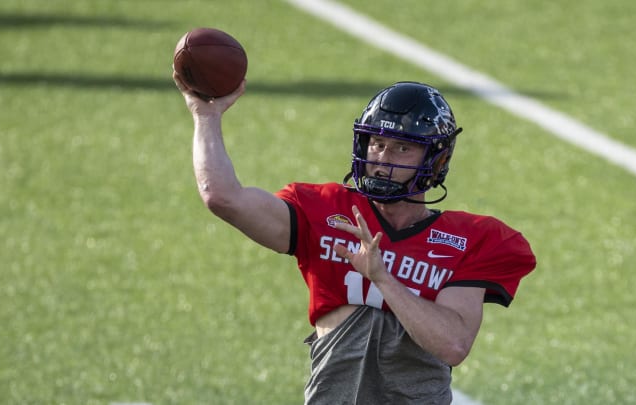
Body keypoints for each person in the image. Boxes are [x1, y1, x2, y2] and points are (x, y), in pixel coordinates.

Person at [173, 75, 537, 404]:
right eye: (376, 143)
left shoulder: (470, 239)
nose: (382, 159)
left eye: (402, 148)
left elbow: (453, 344)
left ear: (437, 159)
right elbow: (223, 198)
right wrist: (207, 118)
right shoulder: (325, 211)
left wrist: (382, 278)